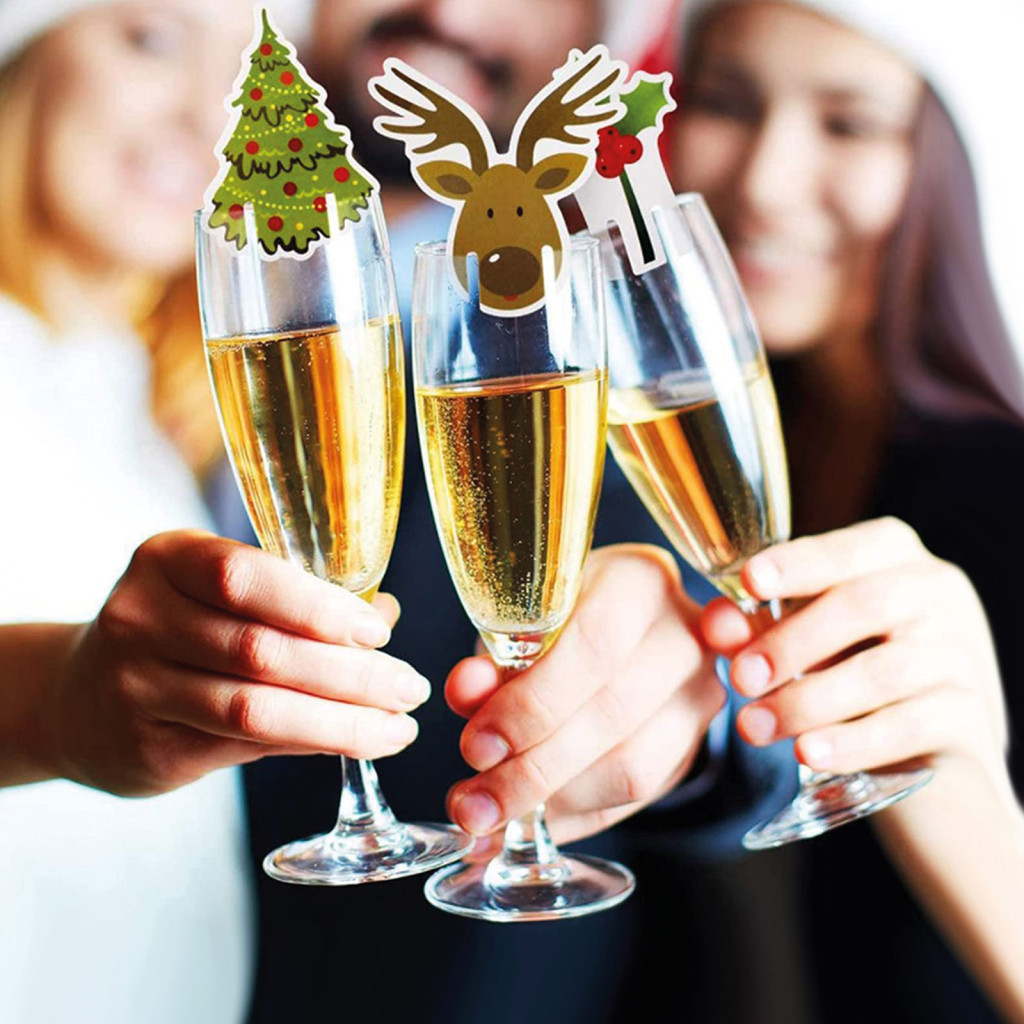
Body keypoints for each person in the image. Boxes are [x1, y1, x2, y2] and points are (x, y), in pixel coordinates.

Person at [445, 1, 1024, 1021]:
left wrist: (959, 792)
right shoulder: (636, 450)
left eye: (848, 123)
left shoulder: (1000, 497)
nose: (763, 179)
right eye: (724, 102)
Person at [0, 2, 432, 1022]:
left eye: (244, 81)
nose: (208, 118)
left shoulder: (153, 415)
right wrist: (58, 704)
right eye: (151, 40)